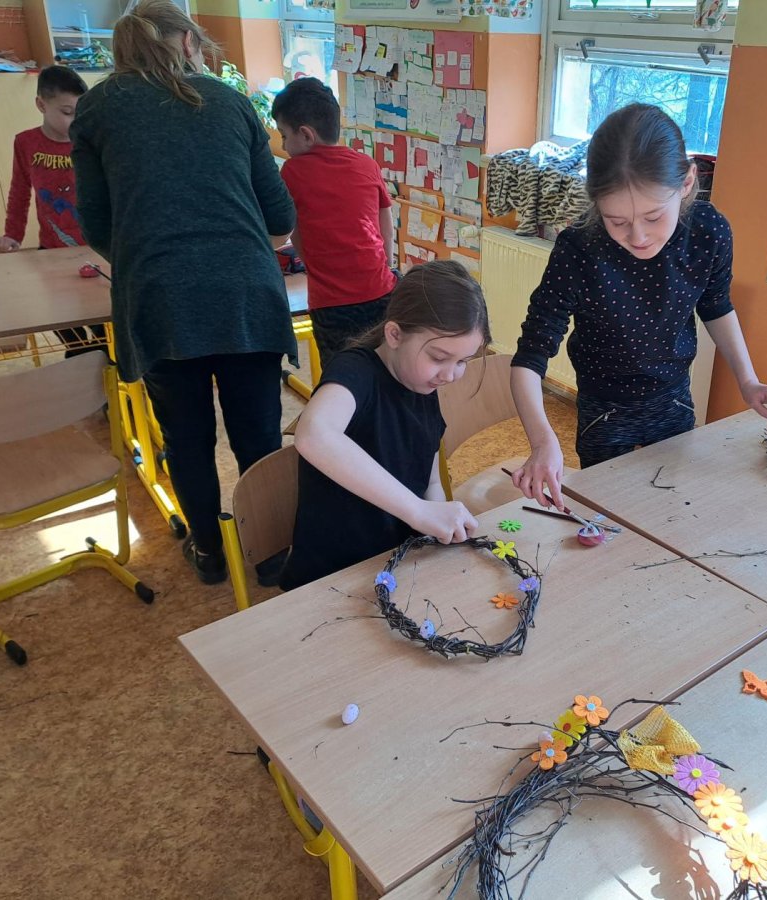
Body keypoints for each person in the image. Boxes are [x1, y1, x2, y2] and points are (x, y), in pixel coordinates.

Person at [71, 0, 298, 584]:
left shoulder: (96, 108)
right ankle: (270, 552)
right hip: (246, 292)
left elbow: (95, 224)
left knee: (186, 438)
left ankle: (209, 553)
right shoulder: (230, 102)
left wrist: (149, 254)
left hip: (159, 298)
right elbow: (280, 217)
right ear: (190, 43)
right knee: (259, 436)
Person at [510, 103, 767, 506]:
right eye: (617, 221)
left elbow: (716, 305)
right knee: (607, 511)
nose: (638, 236)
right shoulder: (579, 249)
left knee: (671, 504)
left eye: (654, 217)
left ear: (687, 182)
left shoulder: (708, 232)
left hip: (672, 399)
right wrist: (542, 441)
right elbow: (530, 356)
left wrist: (748, 380)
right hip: (604, 409)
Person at [271, 260, 488, 592]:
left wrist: (439, 518)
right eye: (439, 357)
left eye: (462, 361)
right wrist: (418, 511)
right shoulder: (355, 371)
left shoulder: (423, 384)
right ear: (395, 334)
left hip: (396, 566)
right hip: (332, 578)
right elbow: (314, 434)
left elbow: (430, 479)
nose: (450, 374)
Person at [271, 77, 398, 366]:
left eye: (284, 136)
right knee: (383, 366)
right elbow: (385, 221)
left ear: (306, 134)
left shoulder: (292, 171)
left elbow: (292, 230)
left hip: (331, 302)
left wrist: (311, 264)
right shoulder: (367, 164)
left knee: (340, 373)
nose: (284, 145)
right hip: (380, 290)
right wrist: (387, 264)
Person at [0, 65, 105, 356]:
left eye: (80, 113)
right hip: (52, 250)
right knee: (62, 315)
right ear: (41, 105)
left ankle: (102, 360)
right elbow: (20, 191)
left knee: (102, 321)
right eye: (67, 112)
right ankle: (81, 358)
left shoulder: (90, 140)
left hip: (94, 247)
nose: (75, 121)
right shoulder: (26, 142)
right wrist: (13, 235)